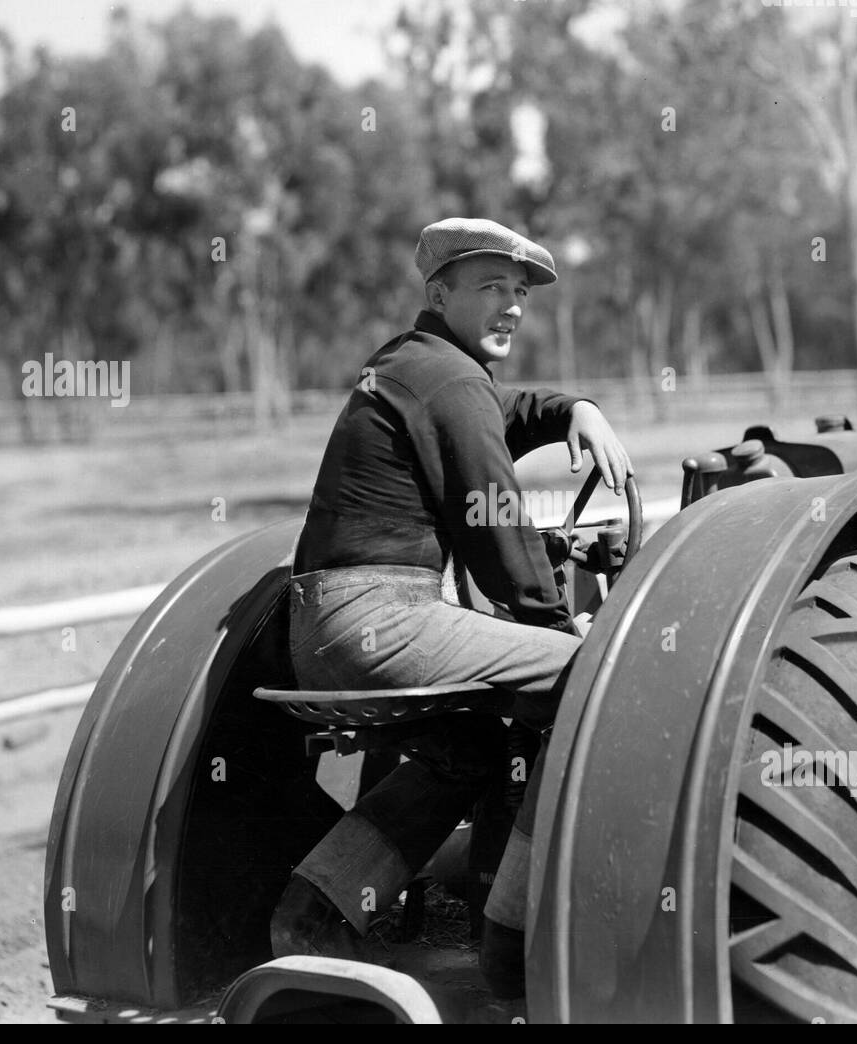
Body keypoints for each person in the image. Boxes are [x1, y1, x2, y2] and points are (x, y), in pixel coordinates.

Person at [270, 217, 633, 998]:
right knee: (597, 680)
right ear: (441, 294)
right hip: (381, 614)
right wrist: (557, 624)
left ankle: (315, 909)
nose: (511, 306)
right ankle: (509, 940)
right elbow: (499, 532)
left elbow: (493, 413)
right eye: (490, 288)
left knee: (467, 747)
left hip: (320, 622)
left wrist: (572, 407)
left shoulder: (413, 364)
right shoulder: (451, 380)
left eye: (519, 292)